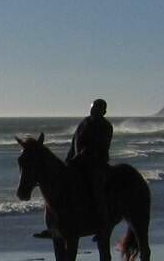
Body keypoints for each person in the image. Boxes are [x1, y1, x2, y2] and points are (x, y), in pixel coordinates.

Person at [35, 98, 113, 238]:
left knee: (96, 188)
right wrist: (68, 159)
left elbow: (99, 146)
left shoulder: (105, 126)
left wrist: (83, 155)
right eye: (92, 107)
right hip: (77, 162)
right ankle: (54, 225)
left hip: (96, 164)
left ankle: (102, 223)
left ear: (103, 111)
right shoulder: (84, 122)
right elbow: (74, 142)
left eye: (97, 108)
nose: (93, 110)